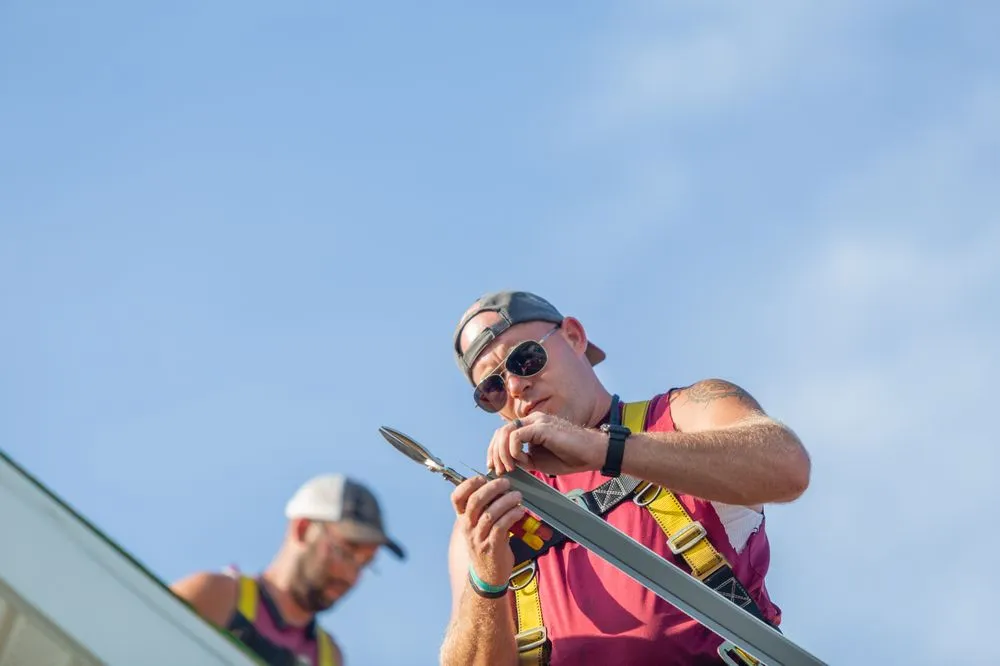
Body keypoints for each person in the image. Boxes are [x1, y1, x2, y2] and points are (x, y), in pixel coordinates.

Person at [441, 290, 811, 666]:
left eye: (525, 359)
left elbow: (787, 466)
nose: (515, 387)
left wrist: (606, 449)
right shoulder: (493, 517)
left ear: (574, 336)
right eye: (493, 388)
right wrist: (486, 580)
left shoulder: (679, 416)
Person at [170, 474, 405, 666]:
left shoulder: (328, 658)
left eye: (365, 563)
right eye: (345, 552)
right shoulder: (217, 596)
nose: (351, 575)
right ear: (302, 529)